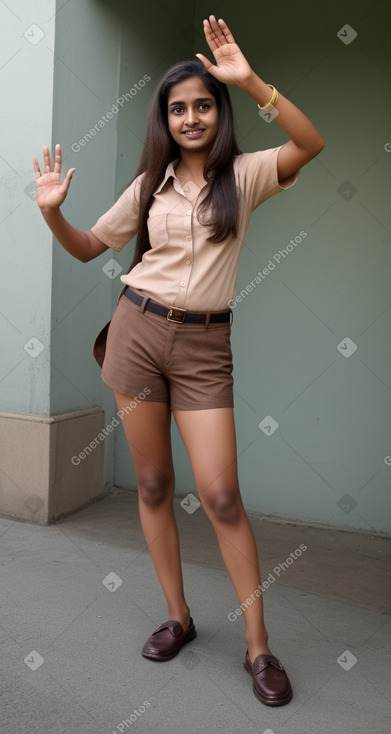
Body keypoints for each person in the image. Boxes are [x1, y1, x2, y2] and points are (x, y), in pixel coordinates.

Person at [33, 15, 324, 707]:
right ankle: (178, 617)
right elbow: (85, 248)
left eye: (200, 105)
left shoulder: (246, 176)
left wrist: (247, 80)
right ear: (163, 119)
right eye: (176, 108)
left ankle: (258, 648)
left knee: (221, 496)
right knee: (154, 486)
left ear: (216, 112)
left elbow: (310, 142)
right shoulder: (148, 186)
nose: (189, 117)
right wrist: (51, 212)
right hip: (136, 334)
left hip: (202, 349)